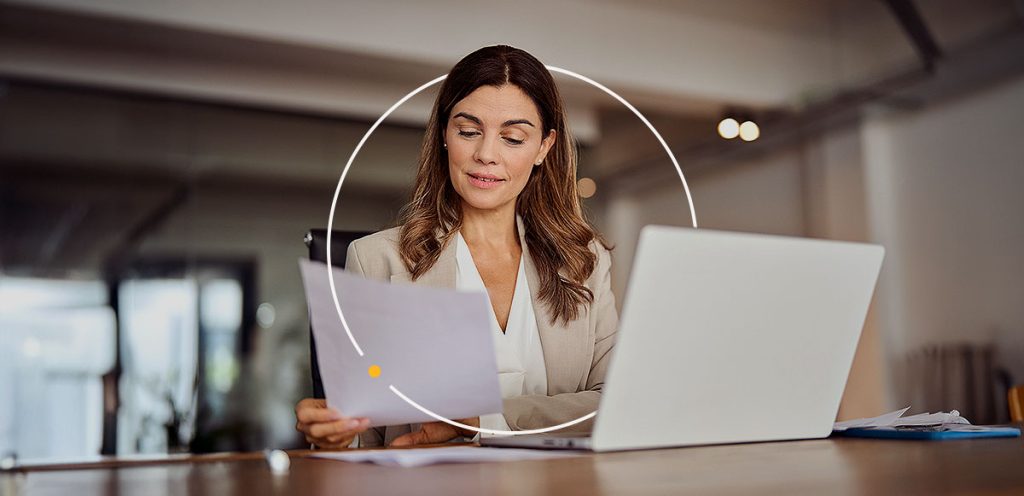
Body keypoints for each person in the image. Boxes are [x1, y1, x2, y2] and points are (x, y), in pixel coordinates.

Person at [295, 45, 618, 449]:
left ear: (544, 148)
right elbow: (366, 436)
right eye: (468, 132)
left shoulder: (584, 260)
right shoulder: (376, 259)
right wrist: (333, 438)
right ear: (445, 136)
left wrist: (482, 420)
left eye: (513, 138)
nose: (486, 154)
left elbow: (611, 404)